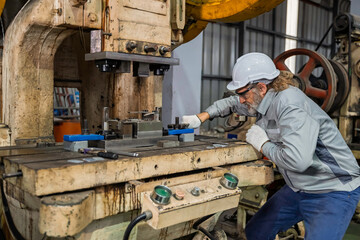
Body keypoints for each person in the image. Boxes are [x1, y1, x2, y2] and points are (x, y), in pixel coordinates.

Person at [182, 52, 360, 239]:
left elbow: (298, 161)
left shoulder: (290, 106)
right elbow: (232, 103)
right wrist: (201, 117)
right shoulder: (261, 100)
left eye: (243, 93)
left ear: (261, 87)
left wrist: (263, 144)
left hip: (332, 189)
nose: (241, 99)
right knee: (256, 233)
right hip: (299, 187)